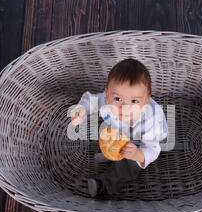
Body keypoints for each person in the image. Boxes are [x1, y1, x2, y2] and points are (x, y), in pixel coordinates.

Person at [70, 58, 168, 198]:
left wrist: (138, 155)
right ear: (108, 95)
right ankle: (110, 153)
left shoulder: (150, 123)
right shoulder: (106, 100)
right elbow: (89, 100)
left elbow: (153, 149)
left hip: (144, 142)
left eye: (134, 101)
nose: (125, 108)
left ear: (145, 101)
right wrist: (80, 110)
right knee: (107, 134)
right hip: (122, 132)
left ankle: (105, 184)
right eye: (118, 99)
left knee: (129, 166)